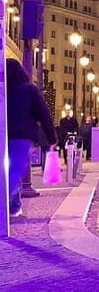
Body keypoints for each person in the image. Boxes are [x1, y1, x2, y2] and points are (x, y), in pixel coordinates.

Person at [6, 59, 57, 217]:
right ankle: (9, 205)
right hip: (22, 136)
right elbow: (43, 114)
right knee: (14, 171)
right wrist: (51, 137)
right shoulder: (30, 90)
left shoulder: (3, 89)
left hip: (4, 134)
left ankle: (13, 206)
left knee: (8, 171)